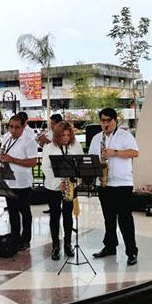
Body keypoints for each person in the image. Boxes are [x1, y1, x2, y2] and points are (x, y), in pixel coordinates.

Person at [89, 108, 140, 265]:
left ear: (115, 121)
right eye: (102, 121)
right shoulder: (97, 138)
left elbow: (134, 153)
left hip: (122, 183)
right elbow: (91, 157)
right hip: (104, 183)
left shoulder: (125, 135)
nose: (105, 124)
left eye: (108, 121)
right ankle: (110, 246)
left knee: (125, 219)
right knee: (108, 218)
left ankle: (131, 252)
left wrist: (114, 152)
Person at [41, 121, 82, 260]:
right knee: (55, 216)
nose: (66, 138)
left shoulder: (76, 146)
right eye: (63, 135)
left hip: (70, 186)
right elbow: (45, 168)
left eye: (68, 135)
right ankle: (55, 246)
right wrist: (59, 183)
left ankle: (68, 244)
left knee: (68, 216)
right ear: (57, 135)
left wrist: (73, 181)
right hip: (53, 187)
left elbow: (80, 166)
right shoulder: (49, 148)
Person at [0, 115, 39, 252]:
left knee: (25, 212)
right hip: (8, 181)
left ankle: (26, 239)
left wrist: (12, 160)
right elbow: (3, 156)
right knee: (12, 212)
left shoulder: (29, 141)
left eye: (17, 127)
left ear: (23, 127)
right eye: (11, 127)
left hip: (22, 183)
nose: (13, 130)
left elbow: (33, 162)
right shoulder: (6, 138)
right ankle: (15, 236)